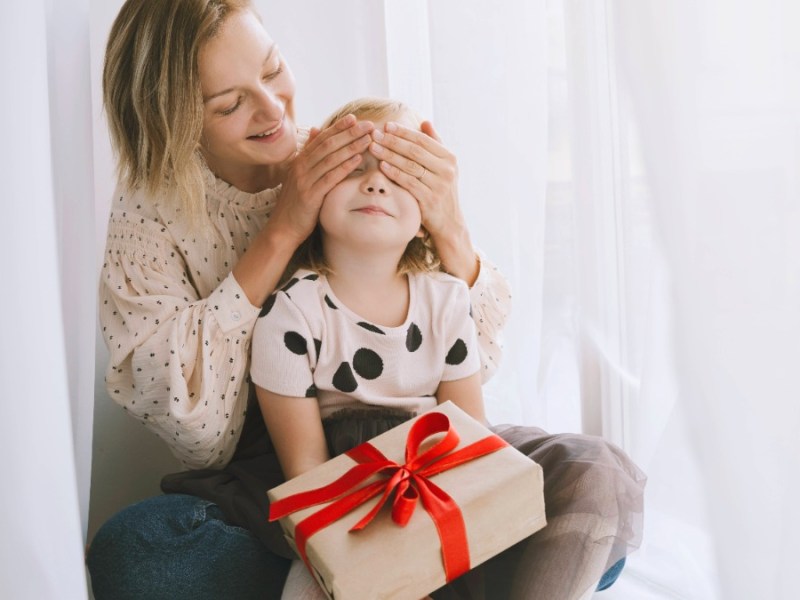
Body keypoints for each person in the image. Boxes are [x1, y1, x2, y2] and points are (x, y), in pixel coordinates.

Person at [86, 1, 513, 599]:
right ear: (173, 122)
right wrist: (282, 231)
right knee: (138, 554)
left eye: (273, 69)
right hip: (278, 475)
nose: (272, 110)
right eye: (230, 104)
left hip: (419, 449)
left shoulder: (349, 165)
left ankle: (420, 565)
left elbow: (473, 369)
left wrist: (449, 226)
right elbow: (203, 438)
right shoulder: (148, 220)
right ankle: (391, 570)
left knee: (595, 481)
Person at [252, 98, 646, 600]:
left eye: (399, 177)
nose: (376, 184)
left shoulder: (446, 300)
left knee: (595, 474)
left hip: (446, 477)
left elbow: (472, 441)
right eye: (355, 169)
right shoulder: (292, 312)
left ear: (425, 217)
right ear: (312, 194)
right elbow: (308, 479)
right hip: (351, 502)